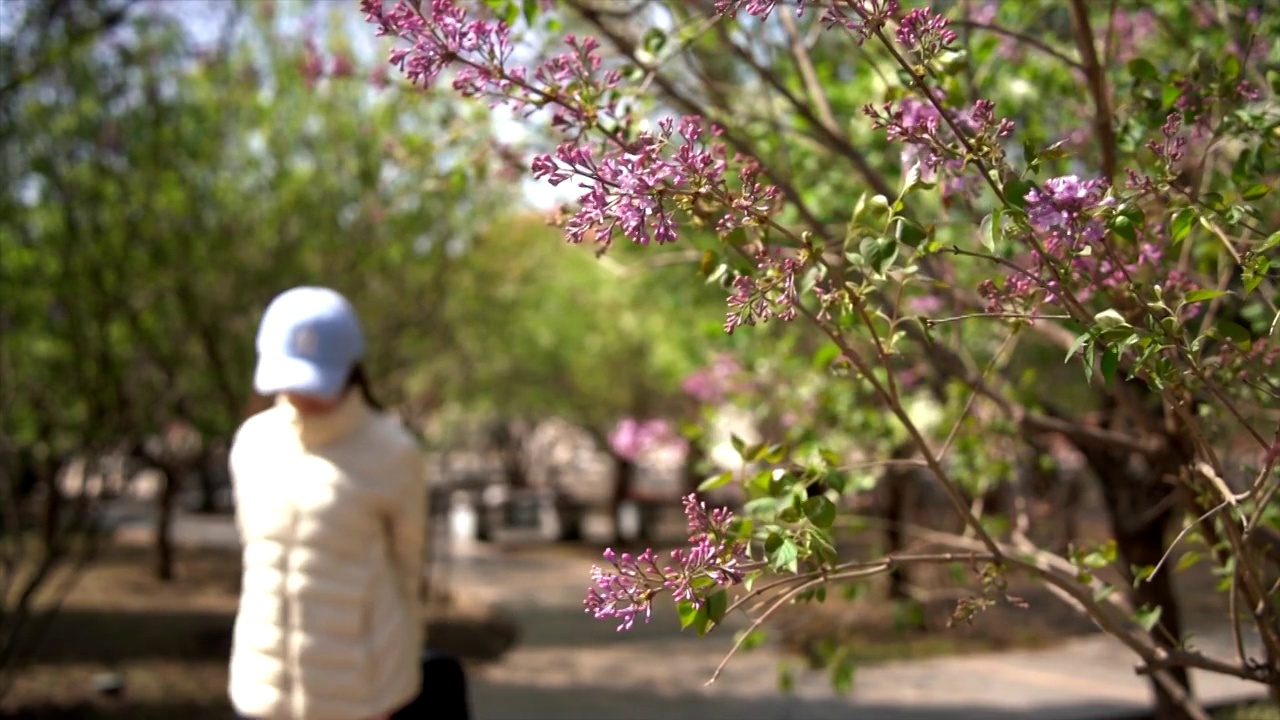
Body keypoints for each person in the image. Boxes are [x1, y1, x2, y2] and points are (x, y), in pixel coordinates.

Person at [227, 286, 428, 720]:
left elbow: (407, 571)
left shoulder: (393, 452)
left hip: (362, 695)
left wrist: (394, 687)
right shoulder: (253, 443)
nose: (303, 392)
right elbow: (254, 556)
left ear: (351, 370)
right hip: (263, 690)